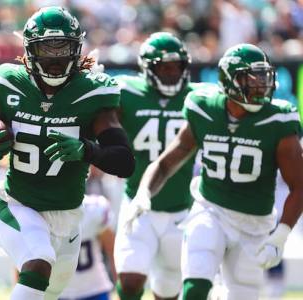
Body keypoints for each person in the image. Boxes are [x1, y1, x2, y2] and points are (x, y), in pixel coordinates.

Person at [0, 6, 134, 300]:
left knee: (48, 292)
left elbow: (125, 161)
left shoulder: (93, 92)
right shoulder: (8, 82)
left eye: (62, 49)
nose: (54, 59)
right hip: (17, 204)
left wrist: (87, 150)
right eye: (46, 50)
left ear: (76, 50)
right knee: (38, 263)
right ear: (29, 49)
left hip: (69, 215)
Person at [129, 43, 303, 300]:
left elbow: (299, 184)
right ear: (229, 81)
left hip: (254, 222)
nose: (260, 85)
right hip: (210, 209)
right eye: (250, 78)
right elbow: (167, 162)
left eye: (263, 76)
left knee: (241, 294)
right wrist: (144, 192)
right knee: (195, 288)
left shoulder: (279, 120)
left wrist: (282, 233)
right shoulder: (205, 108)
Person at [114, 32, 211, 300]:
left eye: (176, 66)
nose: (171, 72)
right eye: (163, 67)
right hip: (138, 202)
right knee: (130, 280)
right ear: (147, 68)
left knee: (168, 290)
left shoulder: (199, 97)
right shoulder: (125, 91)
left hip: (182, 210)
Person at [59, 194, 116, 300]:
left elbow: (112, 250)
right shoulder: (41, 213)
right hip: (56, 294)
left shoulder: (94, 208)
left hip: (95, 291)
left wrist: (119, 287)